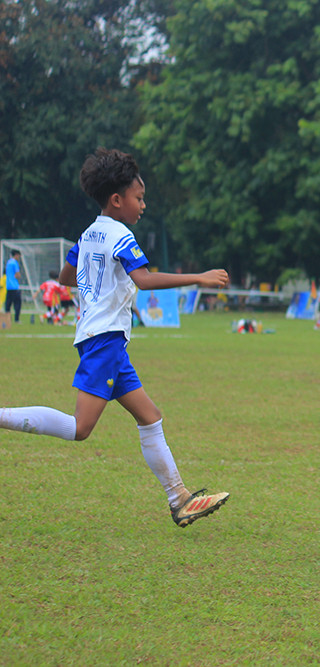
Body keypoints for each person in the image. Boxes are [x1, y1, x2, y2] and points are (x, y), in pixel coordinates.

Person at [0, 148, 230, 528]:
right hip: (104, 339)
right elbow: (143, 278)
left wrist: (99, 281)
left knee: (150, 416)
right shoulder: (120, 234)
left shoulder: (90, 232)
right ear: (117, 200)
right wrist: (199, 277)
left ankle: (180, 498)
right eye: (139, 198)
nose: (143, 205)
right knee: (80, 428)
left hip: (103, 340)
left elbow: (65, 275)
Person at [4, 249, 22, 323]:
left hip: (8, 285)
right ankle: (16, 319)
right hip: (14, 286)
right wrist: (19, 276)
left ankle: (7, 318)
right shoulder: (15, 263)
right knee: (17, 303)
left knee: (8, 303)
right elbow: (17, 274)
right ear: (16, 255)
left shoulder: (8, 262)